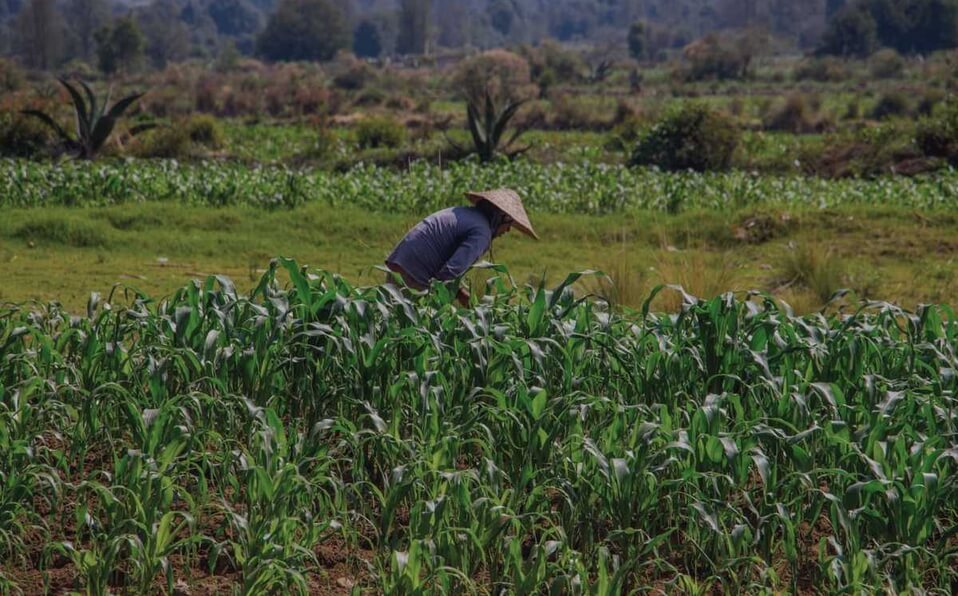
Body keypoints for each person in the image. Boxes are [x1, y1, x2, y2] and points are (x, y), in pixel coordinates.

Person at [385, 189, 539, 306]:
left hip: (400, 265)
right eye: (509, 224)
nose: (508, 230)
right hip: (413, 276)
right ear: (501, 218)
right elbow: (449, 274)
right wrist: (471, 304)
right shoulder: (482, 232)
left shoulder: (465, 213)